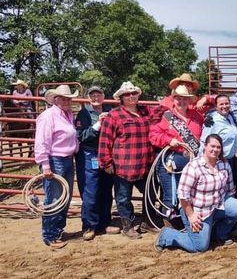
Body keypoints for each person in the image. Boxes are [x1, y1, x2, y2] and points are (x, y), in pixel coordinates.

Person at [154, 134, 237, 253]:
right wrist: (191, 215)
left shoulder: (224, 165)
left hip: (217, 205)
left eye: (218, 147)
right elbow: (182, 195)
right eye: (212, 146)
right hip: (197, 210)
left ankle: (218, 234)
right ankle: (167, 235)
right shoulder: (193, 166)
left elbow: (230, 189)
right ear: (205, 146)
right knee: (199, 247)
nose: (215, 149)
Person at [98, 81, 156, 239]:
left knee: (150, 193)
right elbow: (105, 140)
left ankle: (148, 222)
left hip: (145, 163)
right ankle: (127, 226)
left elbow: (165, 111)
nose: (131, 96)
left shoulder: (146, 111)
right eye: (127, 94)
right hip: (123, 164)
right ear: (121, 98)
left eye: (133, 93)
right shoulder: (114, 115)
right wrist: (106, 162)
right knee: (123, 197)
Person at [149, 85, 203, 228]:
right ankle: (170, 225)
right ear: (174, 99)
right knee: (171, 194)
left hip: (192, 161)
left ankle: (186, 221)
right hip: (172, 160)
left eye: (185, 99)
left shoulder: (197, 117)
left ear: (189, 100)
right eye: (178, 98)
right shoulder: (166, 116)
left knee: (190, 193)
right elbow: (153, 135)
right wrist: (168, 140)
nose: (181, 101)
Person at [34, 85, 79, 248]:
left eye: (69, 98)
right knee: (54, 198)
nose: (67, 101)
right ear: (56, 99)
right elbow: (42, 142)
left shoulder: (68, 115)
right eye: (63, 98)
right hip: (54, 160)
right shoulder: (48, 116)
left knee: (64, 198)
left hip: (66, 159)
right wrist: (45, 165)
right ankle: (50, 235)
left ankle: (58, 231)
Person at [75, 86, 117, 241]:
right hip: (89, 154)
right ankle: (89, 226)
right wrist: (98, 124)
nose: (96, 97)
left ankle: (105, 222)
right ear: (88, 98)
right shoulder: (84, 113)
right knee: (90, 190)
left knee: (106, 189)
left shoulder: (110, 110)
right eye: (92, 95)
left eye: (98, 94)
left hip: (106, 153)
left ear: (103, 96)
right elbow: (82, 136)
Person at [199, 94, 237, 196]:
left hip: (230, 160)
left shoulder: (230, 117)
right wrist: (201, 162)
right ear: (216, 107)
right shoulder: (212, 121)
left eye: (227, 103)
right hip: (217, 161)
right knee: (216, 190)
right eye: (221, 104)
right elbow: (204, 142)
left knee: (229, 189)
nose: (224, 106)